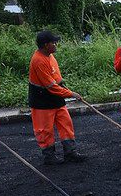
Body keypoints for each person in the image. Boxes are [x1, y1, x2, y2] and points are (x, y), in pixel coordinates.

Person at [28, 30, 86, 165]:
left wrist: (65, 89)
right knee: (45, 129)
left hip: (56, 97)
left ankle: (70, 152)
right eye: (53, 42)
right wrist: (71, 94)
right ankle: (49, 156)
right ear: (45, 45)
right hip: (42, 100)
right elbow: (51, 87)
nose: (56, 45)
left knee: (66, 123)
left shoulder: (50, 56)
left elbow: (57, 80)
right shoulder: (38, 61)